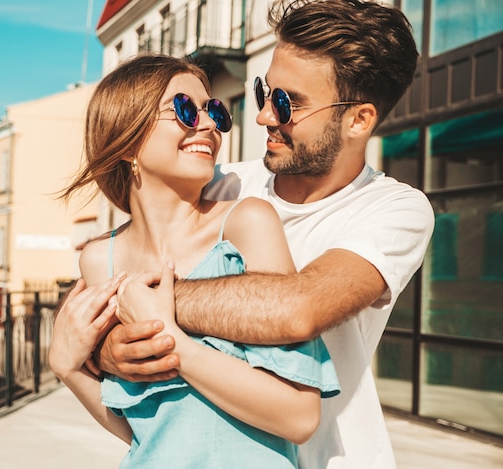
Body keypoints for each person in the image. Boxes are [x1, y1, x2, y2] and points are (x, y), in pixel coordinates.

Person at [77, 1, 435, 468]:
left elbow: (296, 308)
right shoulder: (222, 185)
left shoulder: (395, 210)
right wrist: (106, 345)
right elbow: (132, 244)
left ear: (358, 120)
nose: (264, 116)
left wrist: (140, 307)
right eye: (265, 92)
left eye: (288, 103)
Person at [50, 53, 341, 468]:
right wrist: (67, 368)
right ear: (128, 139)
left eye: (215, 112)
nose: (208, 125)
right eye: (186, 110)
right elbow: (141, 430)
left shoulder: (246, 225)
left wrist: (174, 342)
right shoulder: (100, 260)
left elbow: (298, 417)